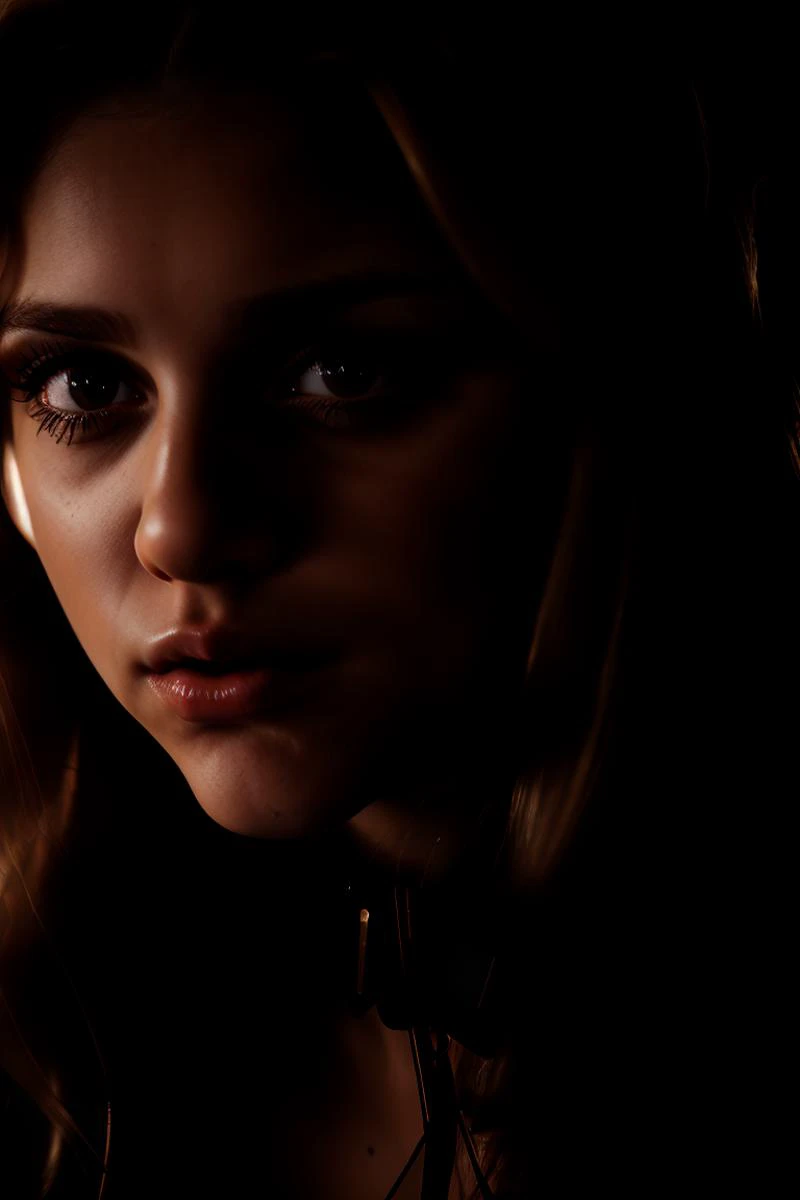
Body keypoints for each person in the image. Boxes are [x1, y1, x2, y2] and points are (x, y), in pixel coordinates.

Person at [0, 4, 795, 1197]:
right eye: (85, 383)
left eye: (340, 374)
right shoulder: (45, 1039)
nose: (182, 528)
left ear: (603, 395)